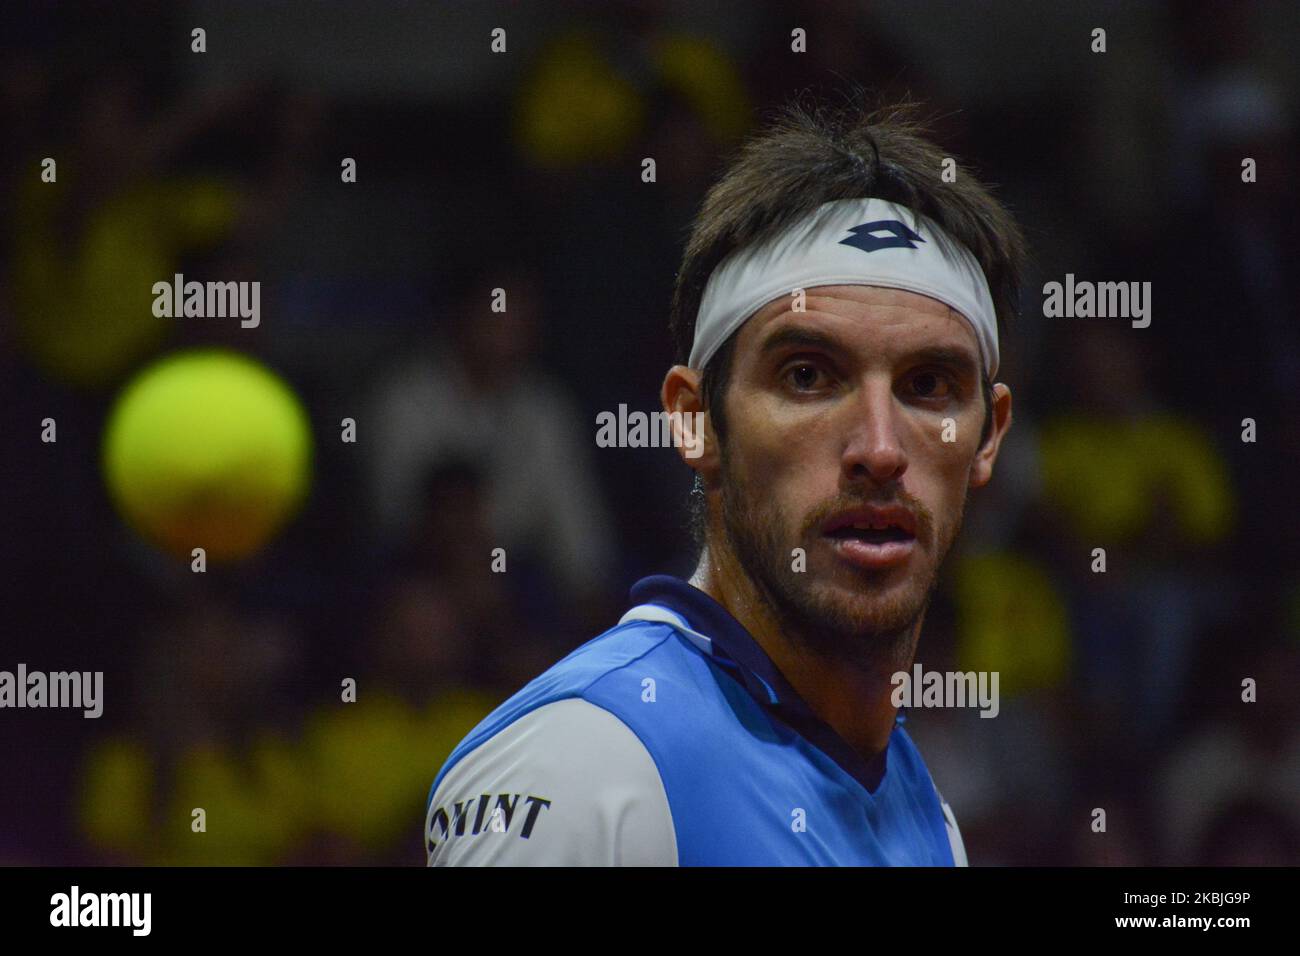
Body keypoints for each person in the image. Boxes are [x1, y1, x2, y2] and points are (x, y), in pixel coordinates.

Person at [425, 93, 1025, 865]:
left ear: (988, 437)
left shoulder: (932, 822)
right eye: (808, 375)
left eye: (929, 385)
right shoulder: (581, 768)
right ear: (693, 419)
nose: (879, 448)